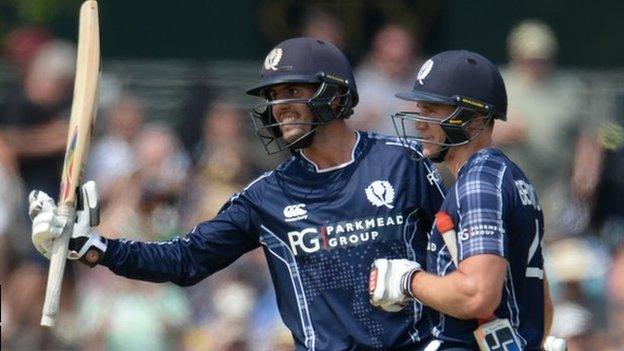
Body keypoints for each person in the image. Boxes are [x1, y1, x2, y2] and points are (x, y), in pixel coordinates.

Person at [28, 37, 445, 350]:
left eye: (292, 92)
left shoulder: (404, 162)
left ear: (335, 95)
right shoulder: (267, 196)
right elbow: (183, 259)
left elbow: (462, 251)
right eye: (273, 97)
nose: (280, 107)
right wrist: (93, 247)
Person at [369, 50, 557, 350]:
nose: (419, 122)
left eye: (432, 110)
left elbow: (478, 295)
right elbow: (543, 303)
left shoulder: (479, 181)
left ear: (475, 120)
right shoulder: (508, 175)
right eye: (421, 108)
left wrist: (408, 281)